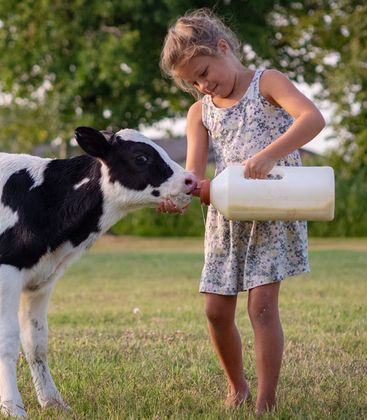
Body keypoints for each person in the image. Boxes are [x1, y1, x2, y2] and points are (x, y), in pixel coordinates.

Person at [156, 8, 325, 415]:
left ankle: (266, 400)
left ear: (223, 47)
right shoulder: (200, 111)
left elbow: (312, 118)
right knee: (215, 310)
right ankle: (238, 386)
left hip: (273, 206)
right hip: (228, 216)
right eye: (192, 80)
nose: (202, 83)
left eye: (204, 70)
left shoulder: (268, 82)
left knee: (261, 307)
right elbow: (194, 174)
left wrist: (269, 157)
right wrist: (179, 194)